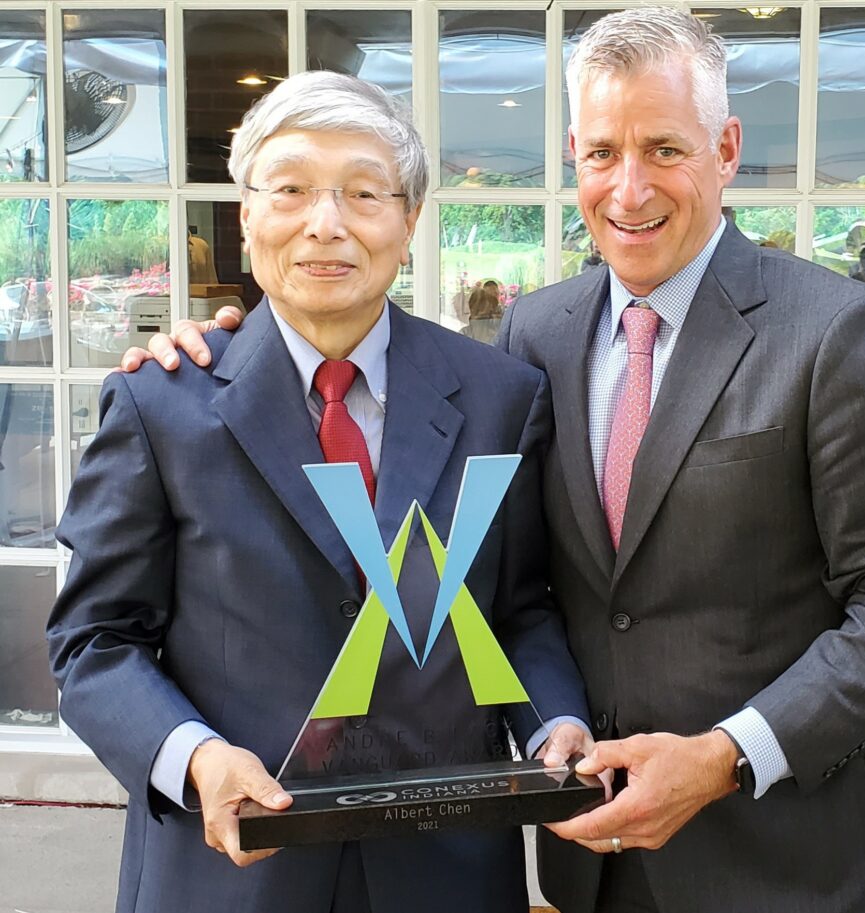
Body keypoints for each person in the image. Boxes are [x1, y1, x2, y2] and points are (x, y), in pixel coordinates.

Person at [126, 8, 865, 913]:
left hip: (796, 863)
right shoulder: (536, 338)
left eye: (665, 150)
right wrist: (239, 347)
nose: (630, 188)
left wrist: (726, 756)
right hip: (593, 857)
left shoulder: (842, 334)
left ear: (726, 150)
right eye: (603, 153)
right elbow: (519, 583)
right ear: (574, 155)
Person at [47, 71, 591, 913]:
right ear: (248, 216)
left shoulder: (498, 398)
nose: (325, 223)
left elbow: (518, 607)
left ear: (409, 222)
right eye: (292, 189)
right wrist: (193, 757)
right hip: (229, 867)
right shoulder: (162, 402)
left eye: (364, 192)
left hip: (443, 866)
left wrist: (555, 719)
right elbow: (95, 642)